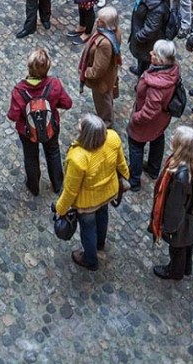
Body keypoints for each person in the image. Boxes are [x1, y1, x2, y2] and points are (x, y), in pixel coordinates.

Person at [55, 113, 129, 270]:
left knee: (88, 230)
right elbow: (121, 163)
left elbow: (70, 190)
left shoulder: (78, 158)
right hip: (107, 192)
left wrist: (60, 209)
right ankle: (100, 244)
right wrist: (126, 178)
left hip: (87, 203)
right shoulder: (113, 138)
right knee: (103, 216)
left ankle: (90, 260)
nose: (78, 125)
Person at [7, 46, 72, 195]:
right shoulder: (54, 84)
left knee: (31, 157)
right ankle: (58, 184)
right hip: (51, 127)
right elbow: (67, 104)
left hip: (27, 132)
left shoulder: (19, 90)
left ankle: (34, 186)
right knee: (53, 152)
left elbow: (13, 116)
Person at [149, 126, 193, 281]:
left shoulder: (181, 176)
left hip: (182, 219)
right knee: (187, 242)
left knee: (177, 247)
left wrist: (168, 228)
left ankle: (175, 271)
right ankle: (186, 266)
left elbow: (174, 207)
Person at [127, 40, 180, 191]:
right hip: (161, 120)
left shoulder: (157, 85)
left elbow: (149, 111)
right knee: (157, 138)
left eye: (154, 54)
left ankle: (135, 181)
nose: (150, 54)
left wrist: (135, 118)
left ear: (161, 60)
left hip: (147, 122)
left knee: (135, 145)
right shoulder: (172, 70)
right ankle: (153, 168)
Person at [78, 6, 122, 127]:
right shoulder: (113, 31)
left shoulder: (105, 44)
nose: (97, 21)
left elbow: (99, 69)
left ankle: (106, 122)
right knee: (106, 97)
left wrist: (85, 72)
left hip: (102, 81)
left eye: (100, 21)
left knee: (102, 100)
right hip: (109, 74)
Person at [128, 0, 171, 77]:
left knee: (146, 63)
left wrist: (138, 37)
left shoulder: (157, 8)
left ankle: (142, 79)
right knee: (142, 61)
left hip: (147, 42)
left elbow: (151, 29)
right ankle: (140, 69)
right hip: (143, 38)